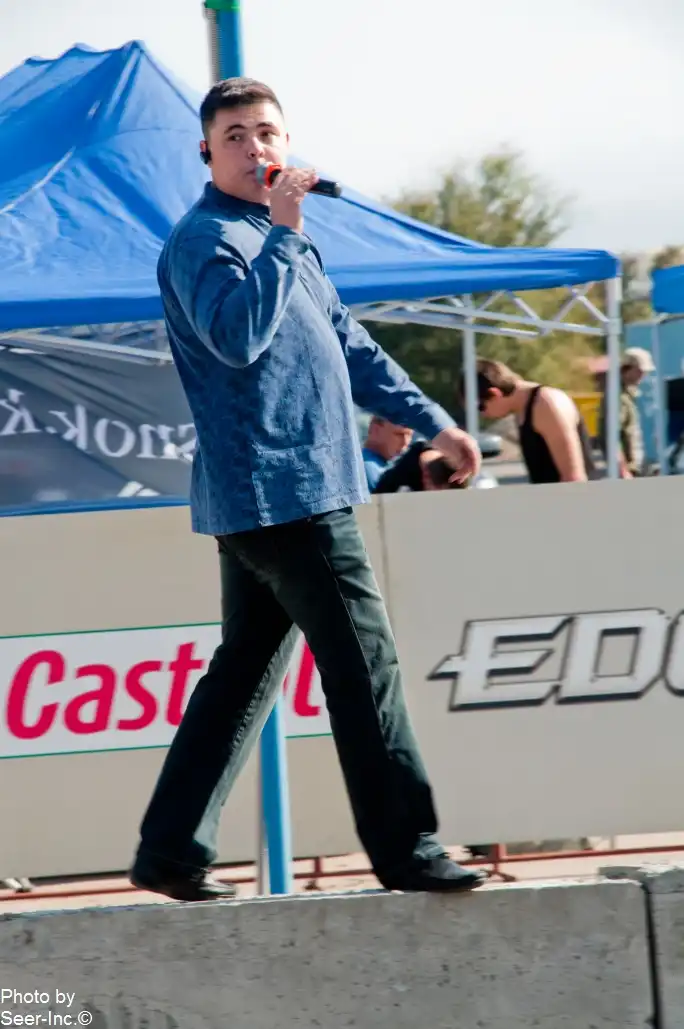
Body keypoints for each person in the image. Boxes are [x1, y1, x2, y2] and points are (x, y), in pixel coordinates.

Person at [129, 77, 489, 901]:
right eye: (235, 136)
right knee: (366, 664)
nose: (255, 148)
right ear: (206, 154)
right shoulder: (204, 240)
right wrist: (287, 237)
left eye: (266, 132)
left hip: (283, 494)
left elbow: (350, 345)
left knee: (245, 672)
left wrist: (435, 424)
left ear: (286, 144)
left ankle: (171, 850)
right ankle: (408, 847)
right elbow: (237, 338)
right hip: (283, 494)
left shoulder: (281, 238)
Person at [472, 359, 596, 484]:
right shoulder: (523, 408)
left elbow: (574, 478)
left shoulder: (545, 404)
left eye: (480, 407)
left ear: (495, 394)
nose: (482, 414)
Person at [598, 347, 654, 478]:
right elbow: (611, 436)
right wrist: (623, 470)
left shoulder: (628, 394)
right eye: (639, 371)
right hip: (626, 469)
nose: (643, 375)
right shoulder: (617, 396)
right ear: (627, 368)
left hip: (633, 467)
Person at [362, 415, 413, 489]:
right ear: (375, 430)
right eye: (399, 434)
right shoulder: (367, 469)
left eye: (409, 435)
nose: (405, 442)